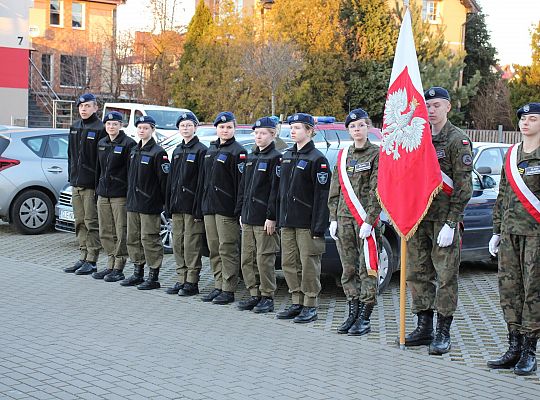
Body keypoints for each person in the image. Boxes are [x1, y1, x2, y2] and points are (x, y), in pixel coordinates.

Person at [404, 87, 473, 355]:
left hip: (444, 219)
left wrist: (452, 221)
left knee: (445, 276)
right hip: (419, 216)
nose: (431, 110)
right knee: (417, 273)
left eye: (436, 105)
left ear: (448, 107)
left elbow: (463, 186)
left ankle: (443, 332)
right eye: (427, 105)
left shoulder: (458, 140)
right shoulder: (417, 138)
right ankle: (424, 327)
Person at [487, 102, 540, 376]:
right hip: (510, 234)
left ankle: (530, 350)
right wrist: (496, 230)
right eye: (523, 119)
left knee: (533, 291)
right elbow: (502, 195)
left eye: (532, 119)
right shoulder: (511, 155)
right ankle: (514, 346)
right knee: (510, 291)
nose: (525, 123)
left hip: (535, 235)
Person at [328, 108, 381, 335]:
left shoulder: (377, 154)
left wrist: (370, 219)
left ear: (368, 127)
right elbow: (335, 190)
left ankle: (365, 316)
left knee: (366, 268)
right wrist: (332, 218)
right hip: (343, 219)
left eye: (360, 125)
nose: (357, 130)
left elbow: (377, 189)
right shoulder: (343, 156)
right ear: (348, 130)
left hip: (364, 222)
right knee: (348, 268)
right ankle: (352, 312)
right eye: (352, 126)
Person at [276, 113, 331, 323]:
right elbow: (280, 190)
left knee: (309, 264)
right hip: (288, 221)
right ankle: (296, 300)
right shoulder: (287, 155)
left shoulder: (317, 159)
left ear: (309, 131)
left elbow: (322, 195)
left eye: (298, 128)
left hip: (307, 223)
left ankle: (310, 304)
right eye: (291, 127)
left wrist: (318, 226)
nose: (293, 131)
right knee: (289, 263)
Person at [235, 116, 281, 313]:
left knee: (264, 259)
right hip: (248, 216)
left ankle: (267, 297)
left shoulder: (275, 158)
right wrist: (240, 212)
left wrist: (271, 216)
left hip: (264, 219)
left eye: (263, 133)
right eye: (256, 133)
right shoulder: (251, 157)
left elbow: (275, 191)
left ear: (272, 135)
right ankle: (254, 294)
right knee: (247, 259)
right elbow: (243, 187)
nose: (259, 136)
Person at [200, 112, 247, 305]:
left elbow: (241, 184)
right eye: (221, 127)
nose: (225, 130)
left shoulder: (238, 152)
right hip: (210, 207)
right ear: (216, 129)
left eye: (229, 127)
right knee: (214, 249)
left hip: (226, 209)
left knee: (227, 249)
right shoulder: (211, 149)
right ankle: (218, 284)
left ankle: (228, 288)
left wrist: (238, 210)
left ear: (234, 129)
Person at [120, 116, 170, 290]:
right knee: (133, 239)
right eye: (140, 128)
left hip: (149, 205)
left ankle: (153, 276)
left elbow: (164, 182)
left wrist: (164, 204)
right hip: (133, 203)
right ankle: (137, 272)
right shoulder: (134, 150)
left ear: (152, 130)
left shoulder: (158, 153)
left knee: (149, 239)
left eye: (146, 128)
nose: (142, 131)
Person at [164, 111, 207, 296]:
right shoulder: (177, 151)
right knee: (178, 243)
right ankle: (181, 278)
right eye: (182, 126)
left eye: (189, 125)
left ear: (195, 128)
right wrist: (168, 204)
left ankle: (192, 281)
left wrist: (198, 209)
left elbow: (202, 183)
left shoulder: (201, 150)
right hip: (177, 206)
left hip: (191, 207)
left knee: (191, 244)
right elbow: (171, 181)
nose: (186, 128)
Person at [64, 93, 106, 275]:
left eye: (87, 106)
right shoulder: (74, 127)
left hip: (91, 185)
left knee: (91, 222)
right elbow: (70, 155)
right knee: (79, 222)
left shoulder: (100, 129)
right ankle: (83, 256)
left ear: (95, 108)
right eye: (81, 106)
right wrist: (71, 176)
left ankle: (92, 260)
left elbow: (102, 161)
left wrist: (99, 185)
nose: (84, 109)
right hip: (76, 182)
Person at [92, 111, 136, 282]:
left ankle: (119, 266)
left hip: (120, 194)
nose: (111, 127)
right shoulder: (102, 142)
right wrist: (97, 189)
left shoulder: (128, 144)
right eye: (109, 124)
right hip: (103, 193)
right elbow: (99, 169)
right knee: (105, 230)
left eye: (115, 124)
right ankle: (110, 263)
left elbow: (131, 173)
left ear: (121, 125)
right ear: (105, 126)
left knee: (120, 230)